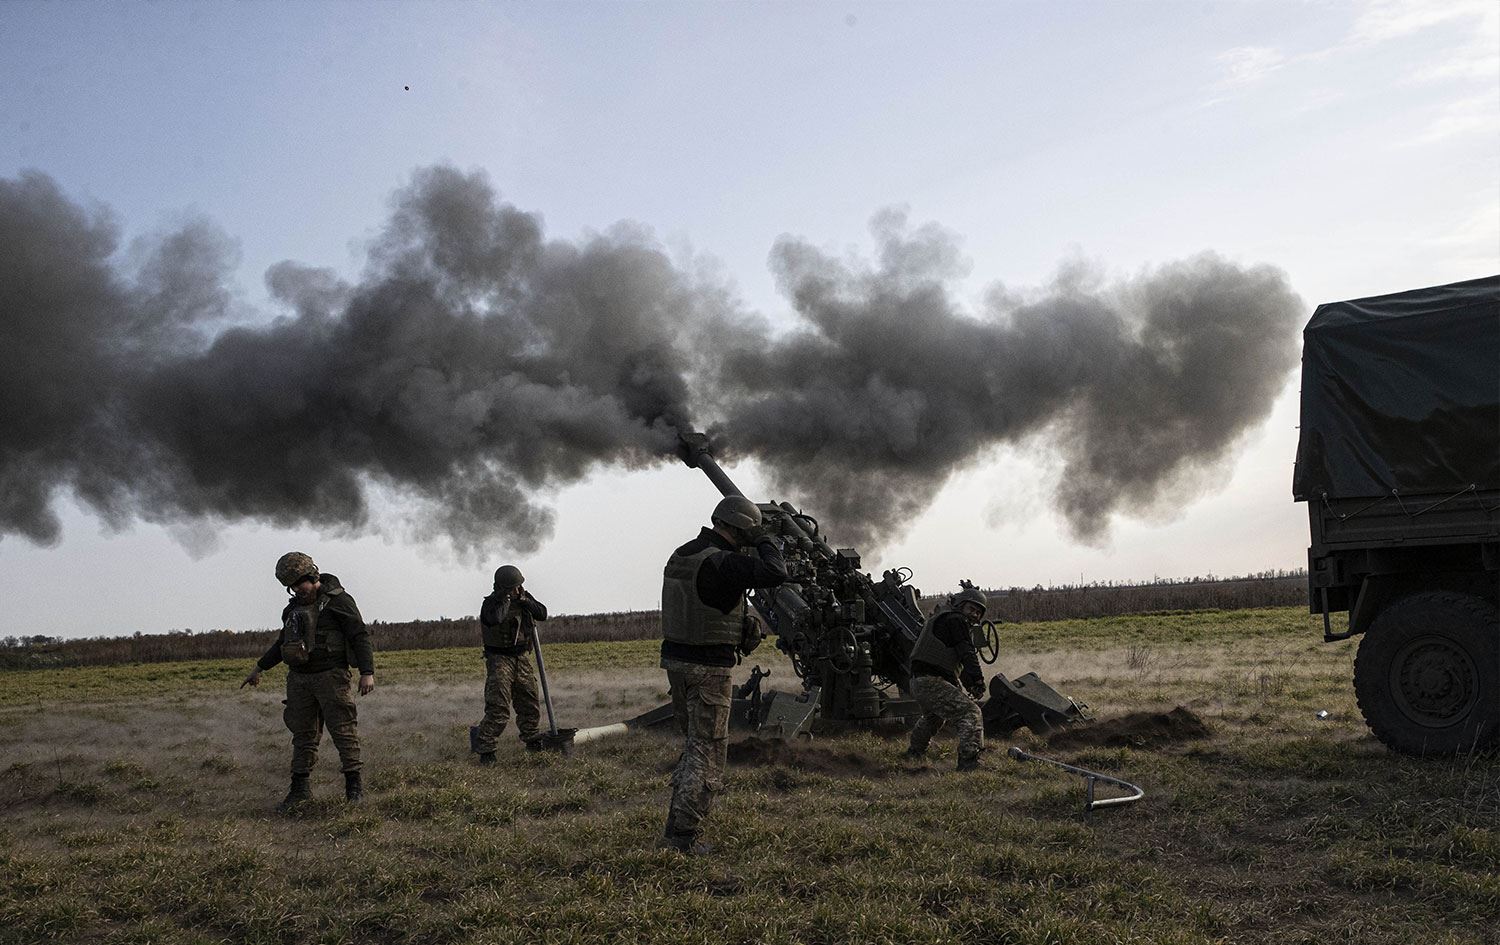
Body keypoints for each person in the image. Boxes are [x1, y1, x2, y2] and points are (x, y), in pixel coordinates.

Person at [659, 495, 788, 854]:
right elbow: (777, 572)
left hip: (677, 662)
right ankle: (683, 838)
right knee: (709, 750)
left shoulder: (683, 553)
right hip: (709, 668)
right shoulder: (724, 561)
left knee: (693, 745)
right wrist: (764, 539)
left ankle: (675, 826)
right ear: (740, 526)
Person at [241, 552, 375, 811]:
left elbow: (360, 636)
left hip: (332, 677)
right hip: (300, 680)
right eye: (291, 586)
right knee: (303, 735)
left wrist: (367, 672)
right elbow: (283, 643)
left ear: (312, 576)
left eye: (299, 583)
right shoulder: (292, 610)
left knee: (343, 731)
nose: (296, 590)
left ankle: (354, 787)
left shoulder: (340, 602)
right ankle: (300, 789)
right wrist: (259, 668)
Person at [904, 584, 988, 771]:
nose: (974, 615)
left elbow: (954, 660)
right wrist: (978, 681)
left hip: (919, 681)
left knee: (933, 717)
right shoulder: (956, 620)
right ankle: (969, 763)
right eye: (971, 609)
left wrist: (970, 683)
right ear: (960, 605)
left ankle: (914, 753)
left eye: (978, 612)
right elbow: (966, 652)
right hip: (932, 681)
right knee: (970, 713)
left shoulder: (945, 618)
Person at [469, 565, 548, 763]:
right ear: (503, 588)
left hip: (521, 657)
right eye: (513, 587)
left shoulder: (524, 597)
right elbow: (496, 618)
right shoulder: (491, 604)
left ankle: (531, 738)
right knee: (499, 707)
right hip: (499, 659)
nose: (517, 590)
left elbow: (542, 613)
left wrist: (525, 600)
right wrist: (506, 599)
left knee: (529, 699)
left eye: (519, 586)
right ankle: (486, 749)